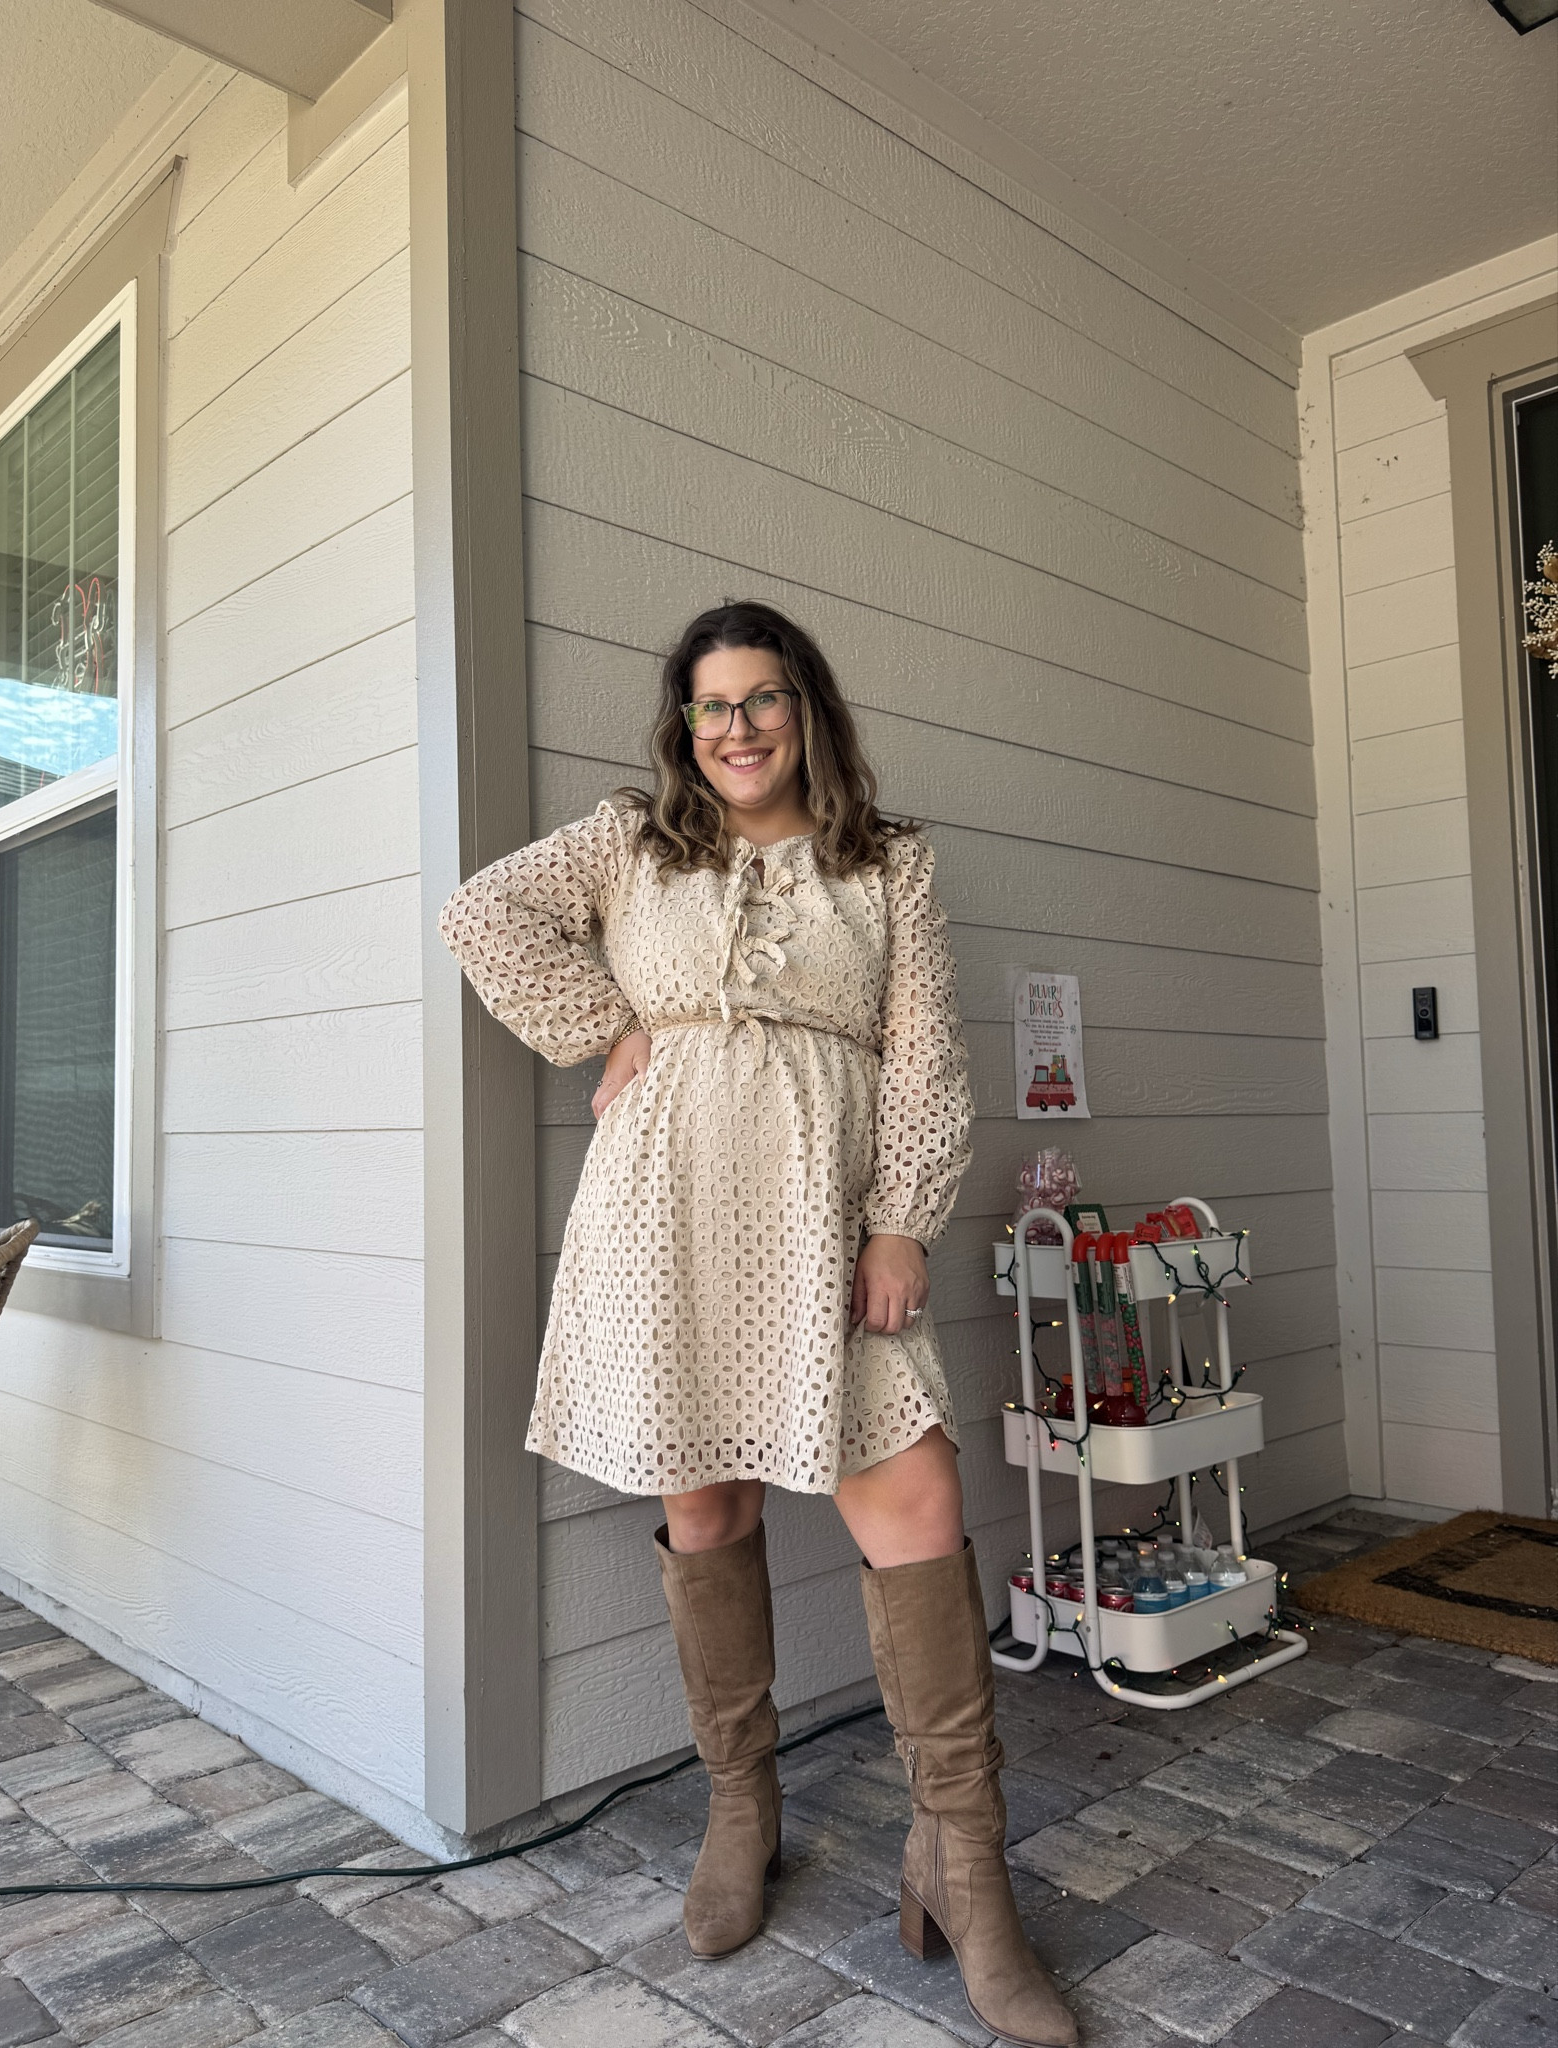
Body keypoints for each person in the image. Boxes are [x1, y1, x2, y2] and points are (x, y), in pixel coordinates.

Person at [440, 601, 1076, 2048]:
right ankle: (743, 1805)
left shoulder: (890, 864)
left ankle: (962, 1866)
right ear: (683, 725)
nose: (736, 729)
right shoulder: (627, 841)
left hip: (827, 1213)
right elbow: (481, 911)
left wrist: (903, 1220)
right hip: (665, 1211)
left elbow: (925, 1054)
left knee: (914, 1494)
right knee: (706, 1498)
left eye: (763, 700)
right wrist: (609, 1021)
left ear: (808, 711)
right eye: (710, 707)